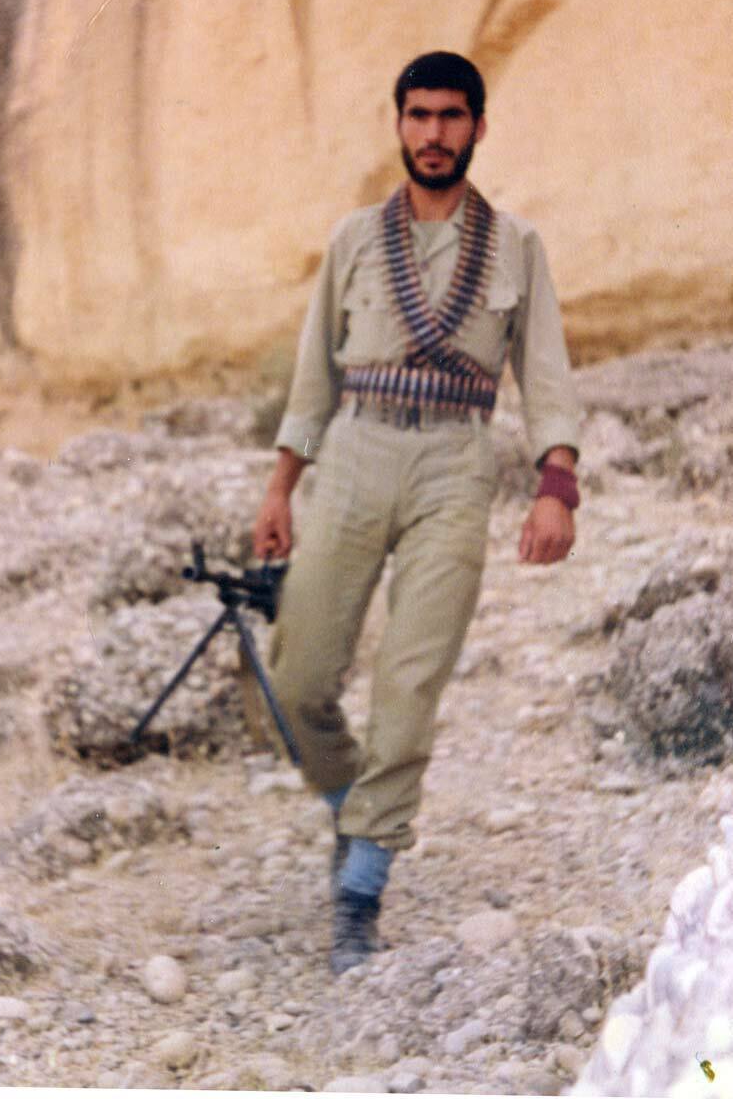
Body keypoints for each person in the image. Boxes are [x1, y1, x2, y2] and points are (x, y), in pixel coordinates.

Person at [252, 51, 581, 976]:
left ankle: (359, 890)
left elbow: (545, 373)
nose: (433, 134)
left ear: (478, 127)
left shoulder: (514, 245)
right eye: (418, 115)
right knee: (294, 678)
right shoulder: (357, 237)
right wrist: (280, 487)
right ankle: (352, 808)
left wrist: (555, 486)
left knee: (410, 681)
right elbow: (313, 374)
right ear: (398, 124)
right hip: (354, 452)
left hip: (453, 463)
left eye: (450, 116)